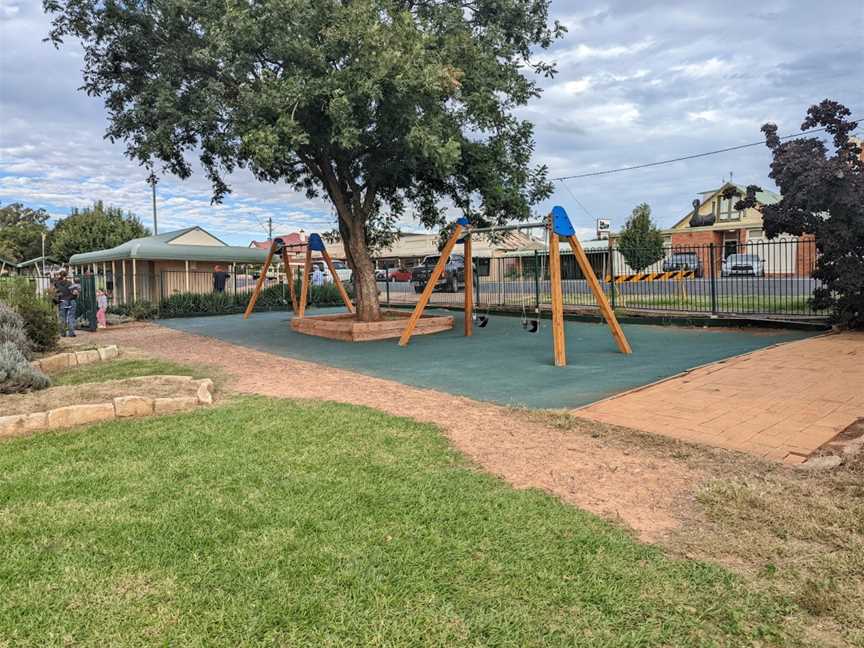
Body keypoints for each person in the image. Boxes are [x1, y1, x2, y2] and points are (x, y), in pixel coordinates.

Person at [52, 270, 79, 337]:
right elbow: (75, 292)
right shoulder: (70, 283)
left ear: (60, 275)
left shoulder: (57, 283)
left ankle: (63, 333)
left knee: (62, 317)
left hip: (62, 301)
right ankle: (71, 333)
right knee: (71, 317)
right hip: (71, 301)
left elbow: (54, 292)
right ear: (66, 275)